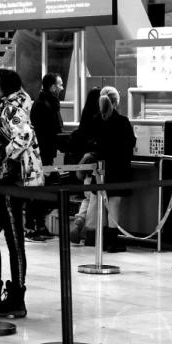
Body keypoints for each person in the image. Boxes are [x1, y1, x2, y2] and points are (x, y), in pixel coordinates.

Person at [0, 68, 43, 319]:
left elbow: (25, 134)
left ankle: (16, 297)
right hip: (2, 181)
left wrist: (6, 156)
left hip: (11, 183)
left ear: (5, 87)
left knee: (14, 240)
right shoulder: (4, 106)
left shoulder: (10, 109)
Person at [91, 86, 135, 253]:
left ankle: (101, 241)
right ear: (116, 102)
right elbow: (130, 143)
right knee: (114, 205)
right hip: (118, 167)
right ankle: (113, 242)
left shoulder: (96, 120)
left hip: (101, 168)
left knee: (102, 205)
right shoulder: (122, 121)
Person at [26, 73, 64, 241]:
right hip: (40, 155)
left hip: (47, 155)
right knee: (38, 191)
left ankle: (39, 225)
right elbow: (46, 132)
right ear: (53, 87)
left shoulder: (50, 103)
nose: (62, 88)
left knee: (45, 190)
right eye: (60, 85)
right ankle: (32, 227)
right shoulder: (43, 104)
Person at [68, 87, 104, 243]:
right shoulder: (100, 119)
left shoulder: (85, 118)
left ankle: (77, 223)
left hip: (86, 167)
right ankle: (90, 233)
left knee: (87, 198)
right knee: (94, 200)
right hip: (97, 166)